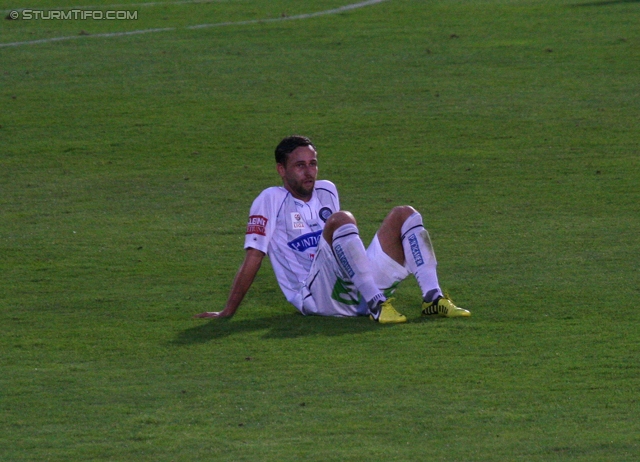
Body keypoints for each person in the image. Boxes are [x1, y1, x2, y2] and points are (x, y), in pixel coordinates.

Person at [194, 135, 470, 323]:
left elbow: (341, 245)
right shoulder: (270, 199)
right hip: (314, 296)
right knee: (341, 219)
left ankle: (432, 298)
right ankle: (376, 304)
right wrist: (228, 311)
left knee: (405, 214)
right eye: (299, 166)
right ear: (281, 169)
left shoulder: (327, 191)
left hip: (349, 288)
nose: (308, 172)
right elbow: (254, 256)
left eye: (312, 164)